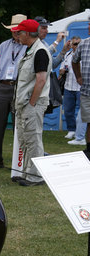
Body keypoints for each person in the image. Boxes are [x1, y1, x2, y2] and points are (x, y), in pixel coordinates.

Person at [0, 14, 27, 171]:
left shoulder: (29, 46)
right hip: (2, 87)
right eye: (13, 29)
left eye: (18, 29)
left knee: (19, 127)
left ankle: (19, 162)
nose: (15, 31)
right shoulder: (3, 46)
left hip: (19, 88)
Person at [11, 19, 51, 186]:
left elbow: (40, 80)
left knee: (33, 138)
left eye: (19, 33)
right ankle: (28, 173)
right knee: (26, 138)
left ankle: (35, 176)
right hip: (26, 103)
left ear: (27, 34)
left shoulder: (40, 51)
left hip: (32, 103)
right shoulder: (31, 50)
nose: (17, 36)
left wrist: (32, 103)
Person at [72, 17, 90, 159]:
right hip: (87, 91)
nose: (89, 27)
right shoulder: (83, 44)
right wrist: (78, 77)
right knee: (89, 121)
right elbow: (74, 61)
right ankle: (89, 150)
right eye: (89, 24)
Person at [61, 36, 82, 141]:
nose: (77, 46)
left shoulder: (85, 55)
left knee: (82, 111)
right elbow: (61, 68)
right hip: (68, 86)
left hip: (81, 87)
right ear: (71, 45)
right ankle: (71, 130)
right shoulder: (68, 55)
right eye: (75, 44)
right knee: (68, 110)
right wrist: (62, 71)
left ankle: (80, 132)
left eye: (78, 44)